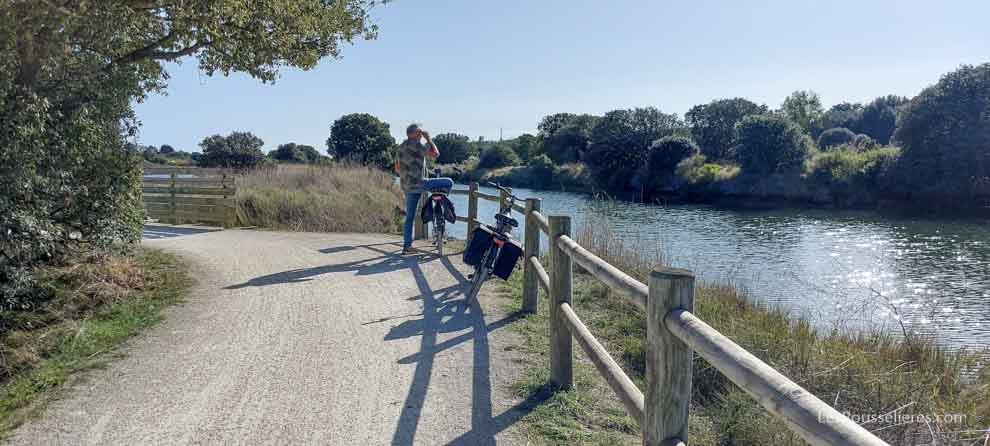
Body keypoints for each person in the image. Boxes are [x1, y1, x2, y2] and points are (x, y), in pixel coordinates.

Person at [396, 123, 451, 254]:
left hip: (407, 186)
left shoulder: (400, 147)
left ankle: (407, 247)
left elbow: (397, 168)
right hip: (421, 183)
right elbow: (436, 154)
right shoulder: (418, 145)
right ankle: (446, 206)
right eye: (420, 132)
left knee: (409, 217)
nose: (421, 135)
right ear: (416, 133)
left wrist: (408, 173)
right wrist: (429, 139)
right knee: (449, 181)